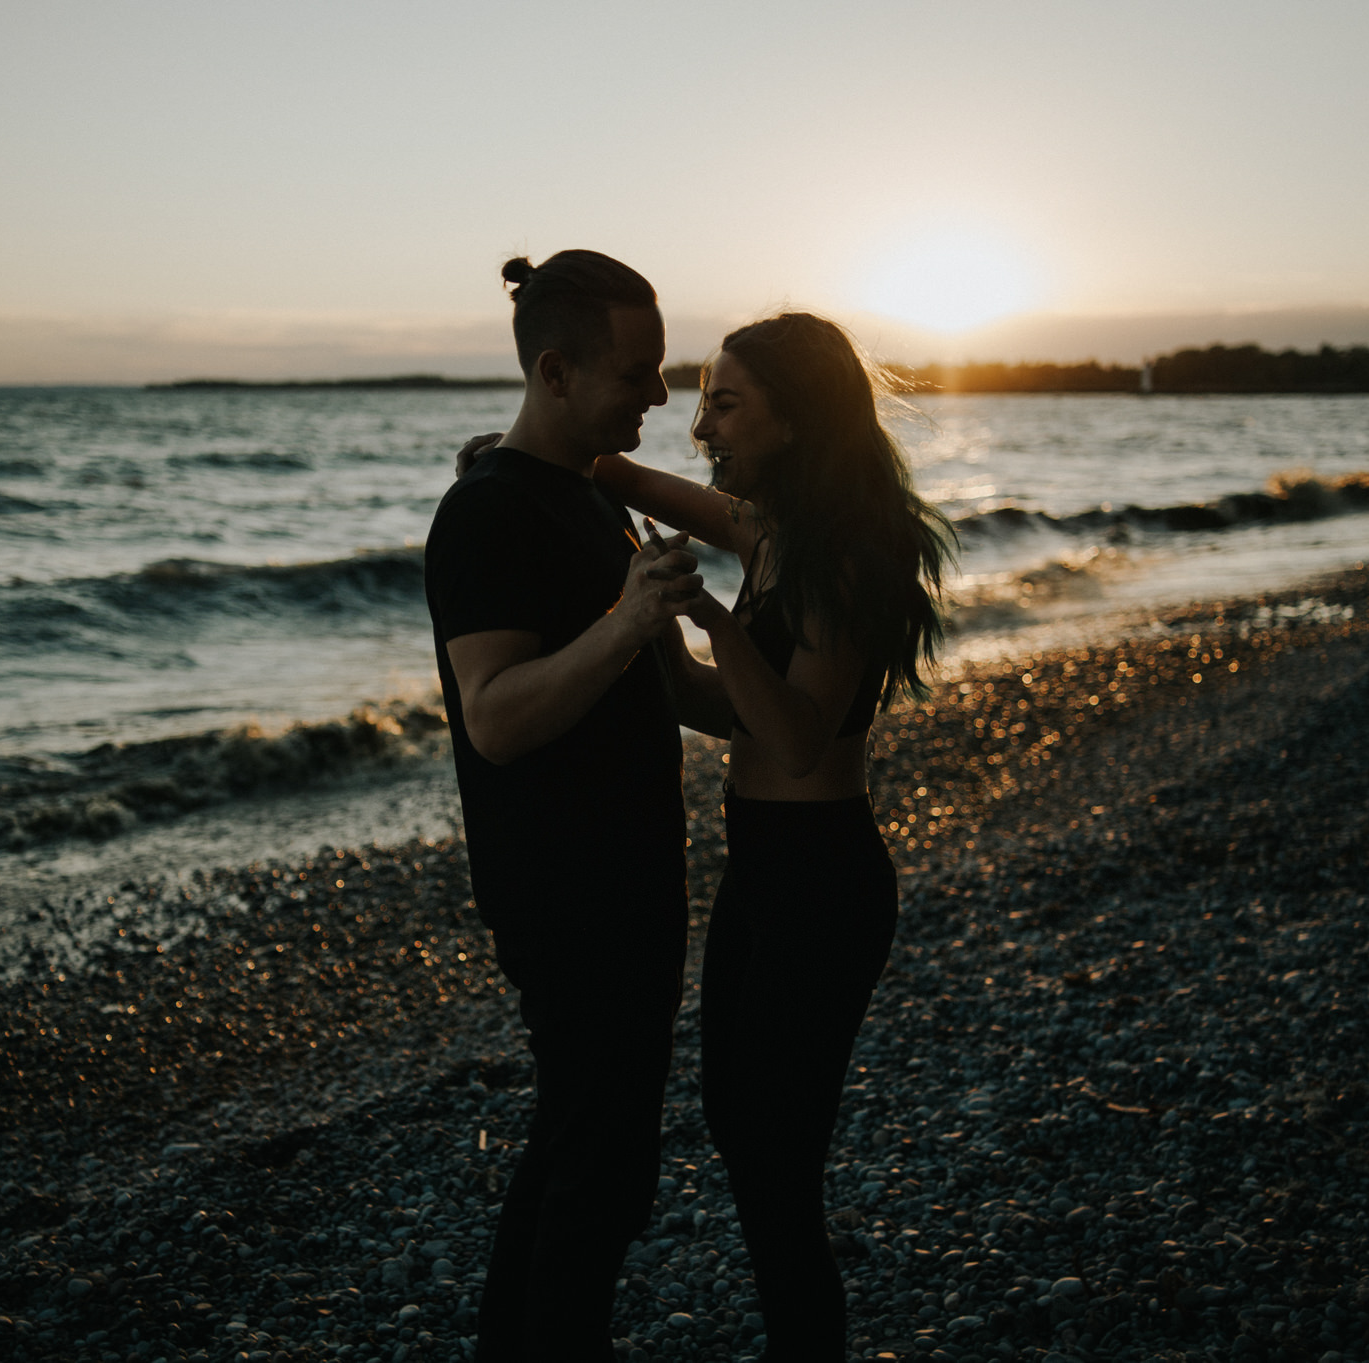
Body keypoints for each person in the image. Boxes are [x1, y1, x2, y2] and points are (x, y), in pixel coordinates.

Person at [592, 312, 960, 1359]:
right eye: (702, 398)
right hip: (760, 871)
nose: (702, 424)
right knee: (735, 1120)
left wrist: (705, 622)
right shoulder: (770, 535)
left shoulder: (843, 560)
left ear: (794, 421)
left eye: (725, 401)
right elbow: (732, 706)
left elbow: (796, 737)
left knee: (772, 1160)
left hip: (823, 882)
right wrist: (553, 462)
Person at [423, 248, 708, 1362]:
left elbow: (675, 688)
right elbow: (491, 716)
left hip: (633, 873)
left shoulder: (590, 497)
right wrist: (626, 624)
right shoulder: (486, 514)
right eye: (635, 373)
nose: (658, 395)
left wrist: (807, 698)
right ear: (553, 370)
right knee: (605, 1159)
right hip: (562, 890)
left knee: (579, 1142)